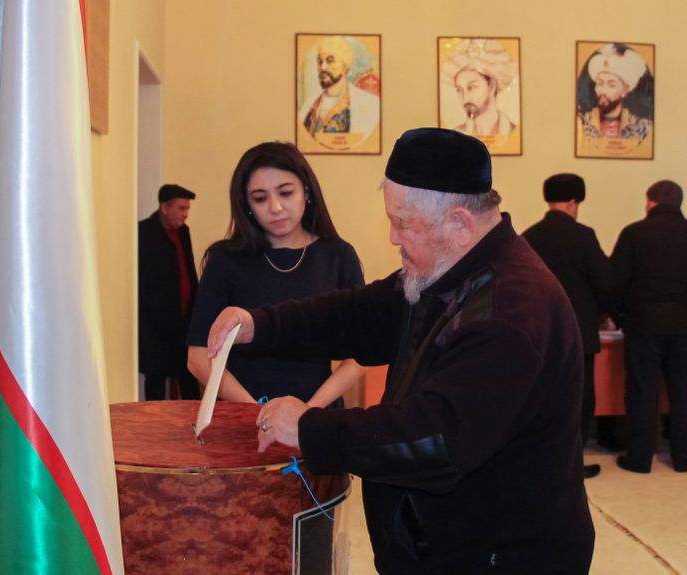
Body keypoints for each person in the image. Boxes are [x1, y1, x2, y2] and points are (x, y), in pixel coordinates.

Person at [207, 128, 595, 573]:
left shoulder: (510, 311)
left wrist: (311, 429)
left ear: (460, 224)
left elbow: (434, 439)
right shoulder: (451, 270)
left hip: (500, 556)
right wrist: (259, 324)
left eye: (403, 223)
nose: (393, 237)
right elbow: (358, 314)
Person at [187, 141, 365, 407]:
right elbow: (199, 356)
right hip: (242, 415)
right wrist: (255, 413)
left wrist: (307, 413)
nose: (276, 207)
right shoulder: (225, 260)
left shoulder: (338, 256)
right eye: (260, 198)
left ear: (306, 191)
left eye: (285, 192)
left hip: (315, 417)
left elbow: (360, 354)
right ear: (246, 204)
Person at [523, 173, 614, 479]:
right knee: (579, 397)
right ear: (574, 203)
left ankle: (537, 459)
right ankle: (572, 461)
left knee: (541, 396)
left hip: (538, 331)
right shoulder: (583, 236)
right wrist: (606, 312)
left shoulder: (529, 236)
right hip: (578, 331)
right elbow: (605, 281)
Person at [611, 180, 687, 473]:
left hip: (643, 325)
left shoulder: (634, 233)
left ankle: (640, 458)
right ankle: (683, 457)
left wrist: (617, 315)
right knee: (683, 392)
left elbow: (616, 280)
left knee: (642, 390)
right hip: (684, 327)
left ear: (651, 202)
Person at [138, 184, 201, 400]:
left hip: (183, 324)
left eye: (187, 210)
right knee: (155, 380)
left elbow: (189, 271)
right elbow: (143, 284)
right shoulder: (143, 233)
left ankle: (195, 426)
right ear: (165, 207)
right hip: (155, 327)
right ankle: (152, 429)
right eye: (181, 209)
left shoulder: (184, 232)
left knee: (189, 377)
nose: (185, 215)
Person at [299, 35, 379, 139]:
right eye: (319, 61)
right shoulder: (308, 105)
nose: (323, 67)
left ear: (345, 66)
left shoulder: (370, 103)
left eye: (330, 60)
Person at [441, 38, 518, 136]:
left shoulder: (511, 132)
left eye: (472, 87)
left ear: (491, 86)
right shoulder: (456, 136)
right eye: (459, 90)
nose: (465, 98)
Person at [578, 43, 652, 142]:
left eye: (611, 85)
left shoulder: (641, 126)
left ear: (624, 90)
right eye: (599, 83)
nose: (603, 91)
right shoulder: (581, 122)